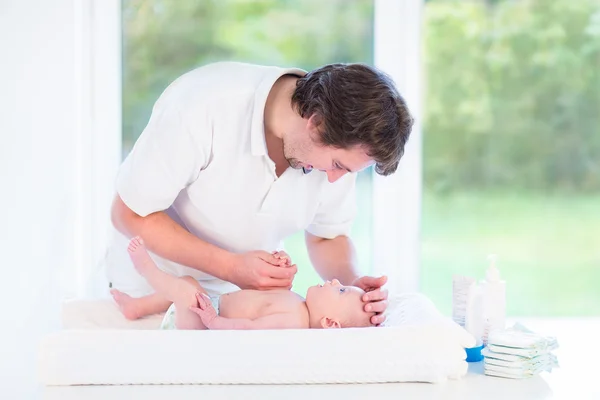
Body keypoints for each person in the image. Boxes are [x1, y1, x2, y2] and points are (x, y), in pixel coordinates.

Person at [105, 61, 413, 326]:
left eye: (346, 171)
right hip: (152, 298)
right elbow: (128, 212)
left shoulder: (342, 144)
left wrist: (351, 285)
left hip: (242, 312)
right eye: (336, 165)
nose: (335, 179)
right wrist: (229, 267)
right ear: (316, 122)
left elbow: (327, 236)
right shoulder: (202, 107)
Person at [113, 237, 374, 330]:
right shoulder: (298, 303)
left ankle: (147, 269)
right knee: (189, 282)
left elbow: (250, 326)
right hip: (212, 307)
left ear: (330, 322)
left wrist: (214, 322)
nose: (335, 281)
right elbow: (263, 297)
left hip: (204, 325)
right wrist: (279, 265)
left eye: (340, 290)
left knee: (186, 292)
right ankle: (137, 307)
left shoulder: (293, 321)